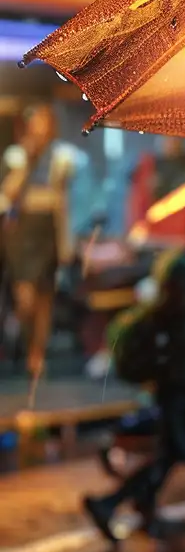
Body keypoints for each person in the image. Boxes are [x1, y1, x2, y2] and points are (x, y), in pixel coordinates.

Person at [85, 204, 185, 541]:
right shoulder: (182, 268)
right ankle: (109, 503)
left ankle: (136, 504)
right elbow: (173, 318)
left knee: (173, 451)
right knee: (179, 450)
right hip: (182, 378)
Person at [2, 103, 86, 390]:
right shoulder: (16, 155)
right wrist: (27, 161)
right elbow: (8, 195)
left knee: (44, 299)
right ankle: (29, 349)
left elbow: (63, 204)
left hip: (47, 231)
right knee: (24, 297)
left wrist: (66, 244)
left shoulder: (62, 157)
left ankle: (37, 356)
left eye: (45, 123)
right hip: (22, 234)